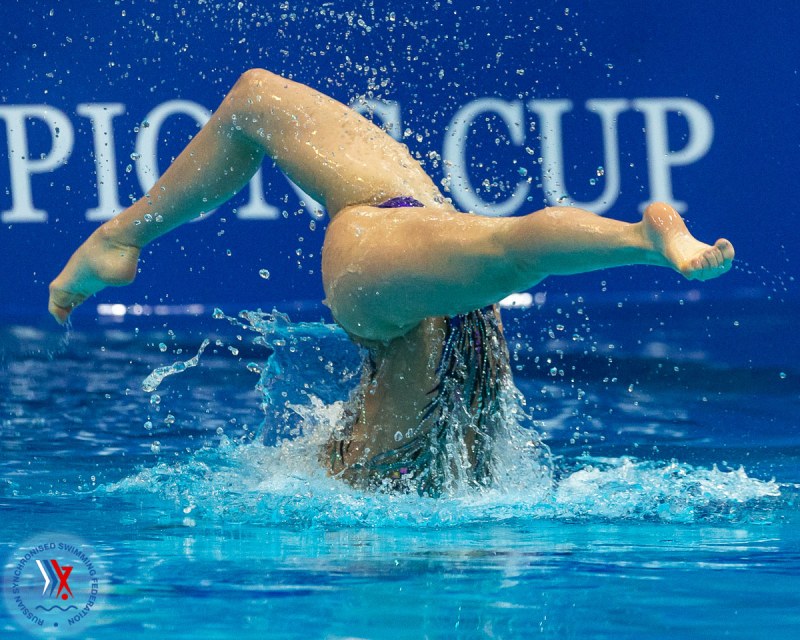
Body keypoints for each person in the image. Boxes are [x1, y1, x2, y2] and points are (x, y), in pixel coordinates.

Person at [48, 69, 734, 495]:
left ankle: (118, 238)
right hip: (396, 268)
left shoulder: (409, 479)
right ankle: (639, 238)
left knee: (256, 97)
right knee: (505, 245)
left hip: (416, 278)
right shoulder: (404, 481)